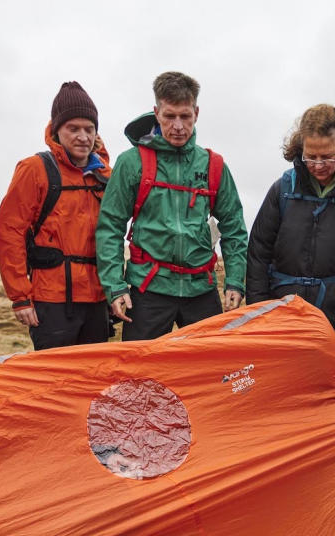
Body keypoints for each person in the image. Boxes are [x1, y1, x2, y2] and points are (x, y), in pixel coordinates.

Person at [94, 71, 248, 341]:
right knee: (139, 375)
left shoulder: (214, 166)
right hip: (148, 289)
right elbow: (110, 227)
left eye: (185, 116)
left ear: (196, 113)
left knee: (210, 372)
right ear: (156, 112)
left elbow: (234, 226)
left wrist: (235, 280)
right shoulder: (132, 163)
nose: (178, 126)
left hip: (201, 289)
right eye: (169, 116)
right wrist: (115, 287)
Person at [246, 105, 335, 360]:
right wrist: (258, 313)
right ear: (300, 149)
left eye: (327, 157)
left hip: (333, 320)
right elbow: (258, 254)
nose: (318, 165)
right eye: (310, 157)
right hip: (281, 318)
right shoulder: (282, 190)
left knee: (323, 396)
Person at [0, 82, 112, 350]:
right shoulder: (35, 169)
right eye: (73, 128)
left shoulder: (106, 176)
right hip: (52, 299)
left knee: (94, 378)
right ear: (57, 131)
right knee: (54, 383)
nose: (82, 136)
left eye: (89, 129)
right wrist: (20, 296)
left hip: (97, 299)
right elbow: (10, 231)